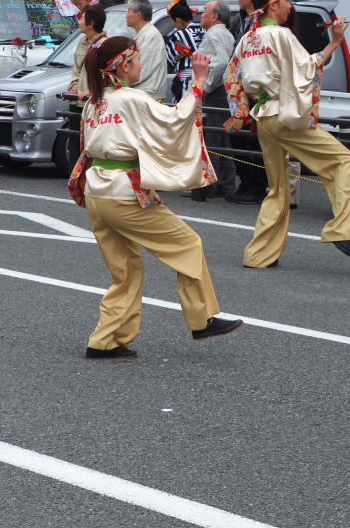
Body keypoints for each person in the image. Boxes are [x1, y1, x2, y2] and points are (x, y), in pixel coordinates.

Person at [69, 36, 242, 357]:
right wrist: (199, 81)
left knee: (125, 271)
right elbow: (176, 120)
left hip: (97, 192)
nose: (141, 65)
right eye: (137, 60)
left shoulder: (94, 102)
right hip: (124, 192)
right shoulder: (132, 98)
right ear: (123, 65)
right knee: (187, 244)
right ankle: (202, 318)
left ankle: (106, 340)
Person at [225, 0, 350, 267]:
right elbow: (307, 68)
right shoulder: (281, 35)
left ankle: (259, 255)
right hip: (284, 114)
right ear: (273, 4)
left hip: (263, 115)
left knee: (277, 188)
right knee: (345, 161)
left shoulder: (247, 39)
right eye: (286, 1)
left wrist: (240, 111)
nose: (290, 6)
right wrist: (334, 42)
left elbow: (231, 77)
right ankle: (340, 229)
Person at [190, 0, 236, 202]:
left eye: (205, 11)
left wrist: (206, 87)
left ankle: (209, 186)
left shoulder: (214, 34)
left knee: (211, 140)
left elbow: (221, 62)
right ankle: (226, 185)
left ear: (215, 16)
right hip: (222, 92)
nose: (201, 14)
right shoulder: (225, 33)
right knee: (222, 140)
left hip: (214, 92)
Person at [227, 0, 268, 205]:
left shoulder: (263, 20)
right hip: (238, 88)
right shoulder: (239, 19)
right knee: (236, 136)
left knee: (254, 140)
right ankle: (245, 181)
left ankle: (258, 186)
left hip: (255, 90)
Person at [126, 0, 167, 100]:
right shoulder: (144, 33)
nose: (126, 16)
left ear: (138, 15)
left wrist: (122, 83)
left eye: (128, 11)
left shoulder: (150, 35)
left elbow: (142, 69)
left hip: (148, 96)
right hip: (141, 94)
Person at [165, 0, 205, 101]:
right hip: (206, 81)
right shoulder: (205, 30)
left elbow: (170, 60)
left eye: (173, 21)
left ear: (178, 20)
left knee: (186, 108)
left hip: (186, 82)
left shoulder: (179, 35)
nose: (173, 25)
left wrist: (182, 55)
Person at [68, 3, 107, 98]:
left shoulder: (105, 45)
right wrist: (74, 86)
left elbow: (107, 77)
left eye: (82, 18)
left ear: (90, 23)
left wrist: (92, 92)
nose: (79, 22)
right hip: (80, 100)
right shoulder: (81, 42)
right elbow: (76, 70)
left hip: (96, 100)